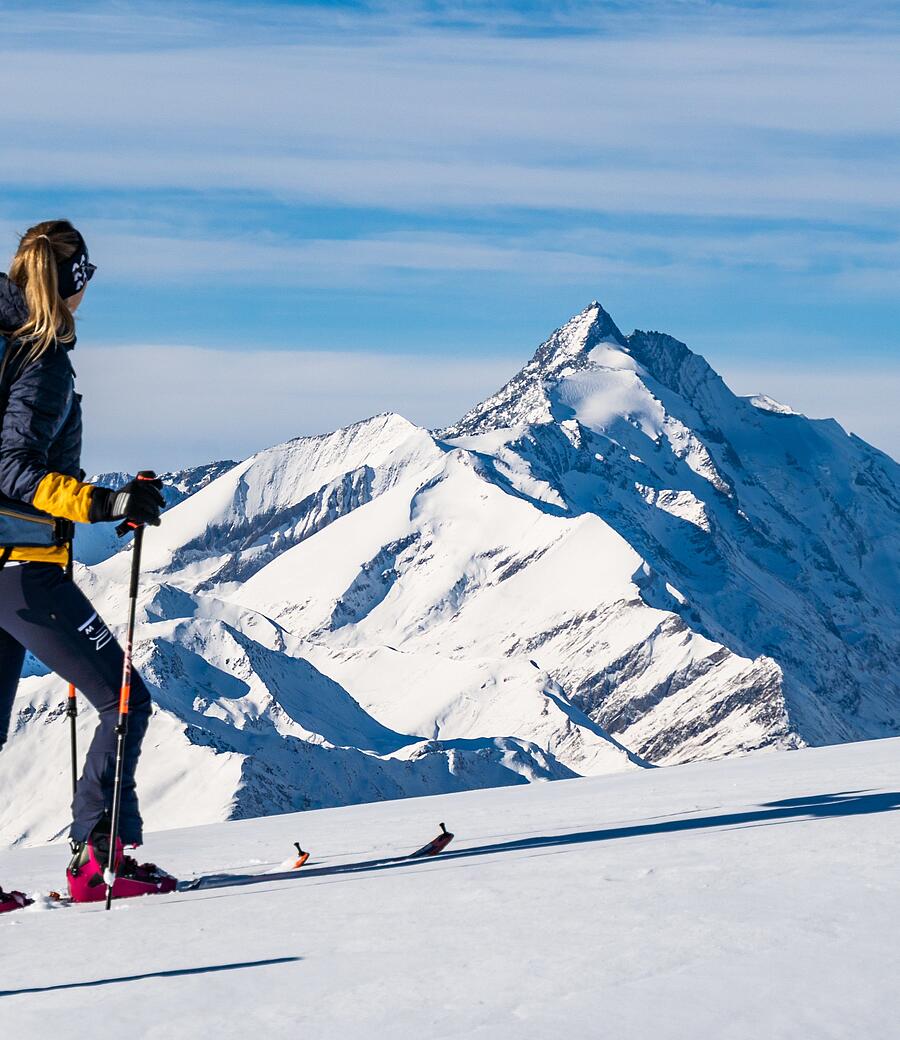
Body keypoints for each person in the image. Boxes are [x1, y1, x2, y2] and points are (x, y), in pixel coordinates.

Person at [0, 220, 175, 907]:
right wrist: (106, 504)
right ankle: (100, 863)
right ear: (71, 282)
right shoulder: (39, 358)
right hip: (22, 571)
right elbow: (15, 469)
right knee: (125, 700)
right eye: (88, 276)